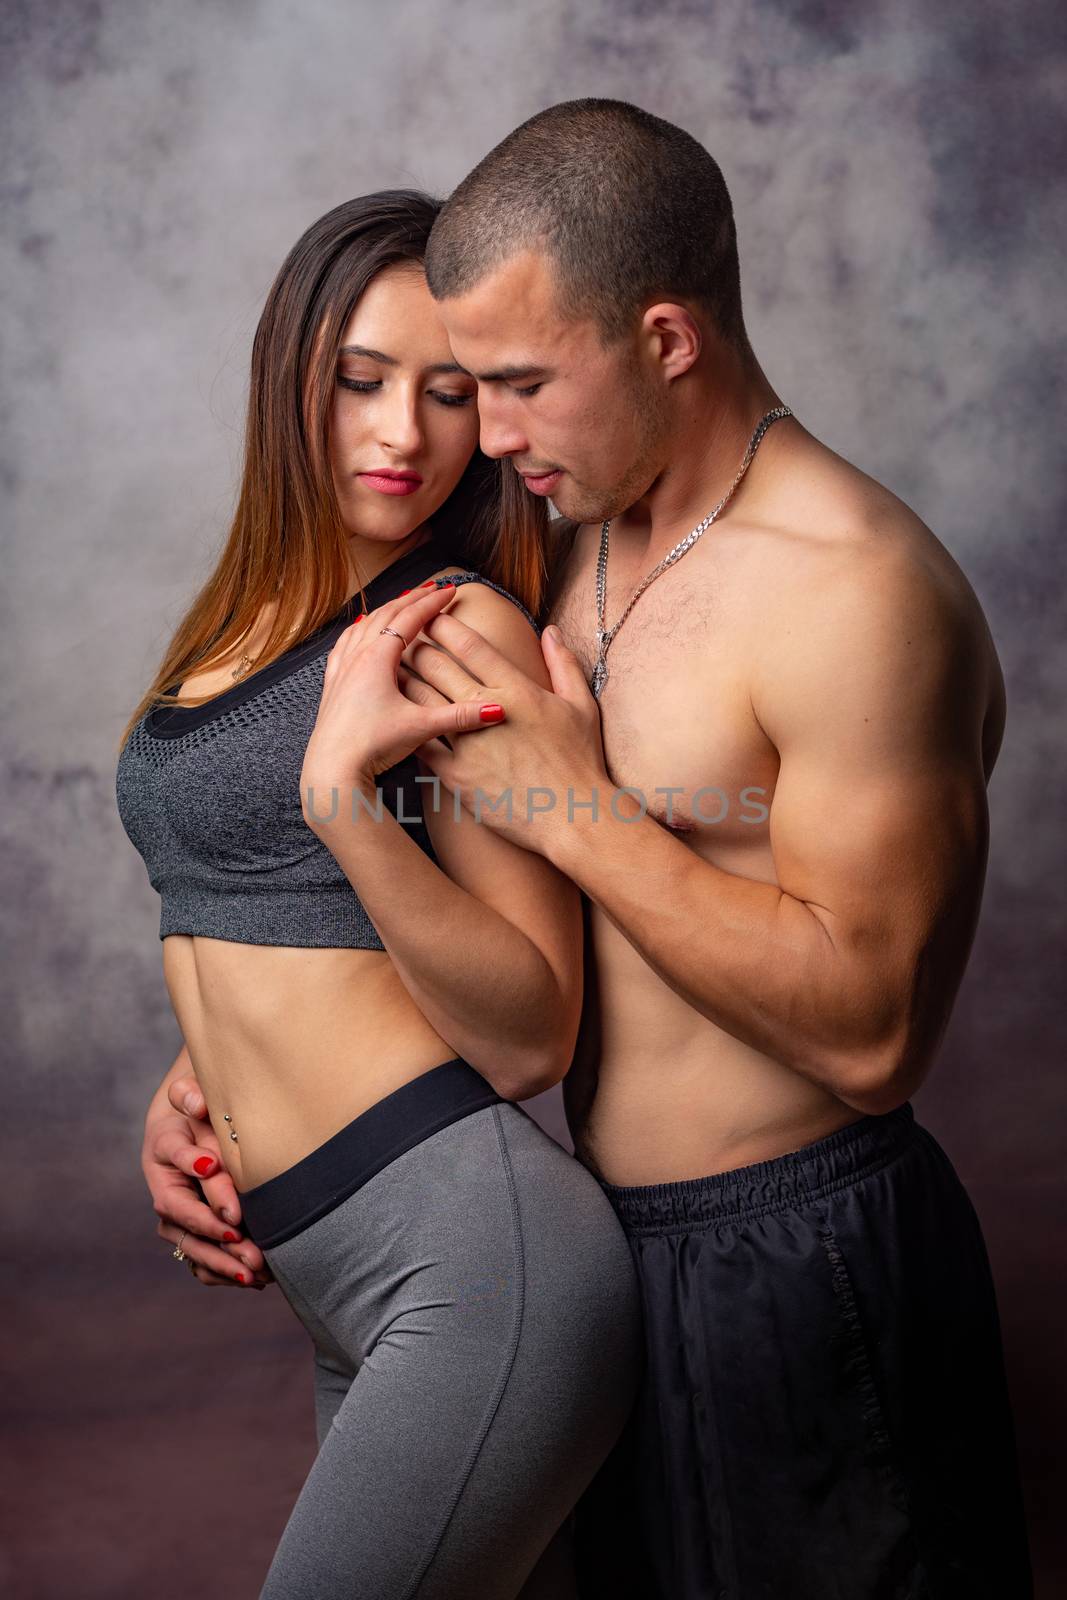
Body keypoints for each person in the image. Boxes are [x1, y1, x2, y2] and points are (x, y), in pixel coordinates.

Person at [145, 103, 1034, 1596]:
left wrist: (574, 799)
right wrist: (221, 1073)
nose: (479, 437)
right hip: (610, 1246)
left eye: (516, 385)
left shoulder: (857, 595)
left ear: (667, 340)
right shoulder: (563, 542)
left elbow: (876, 1033)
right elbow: (480, 913)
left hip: (804, 1254)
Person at [117, 188, 644, 1600]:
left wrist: (348, 810)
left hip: (472, 1265)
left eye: (450, 391)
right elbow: (273, 918)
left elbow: (531, 1029)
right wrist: (200, 1079)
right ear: (290, 375)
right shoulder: (239, 621)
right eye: (360, 382)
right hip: (342, 1282)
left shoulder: (454, 627)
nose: (402, 432)